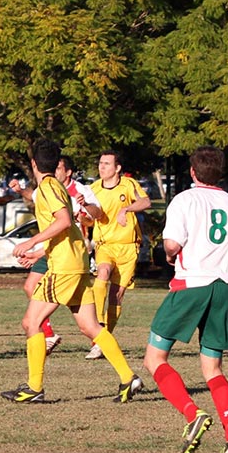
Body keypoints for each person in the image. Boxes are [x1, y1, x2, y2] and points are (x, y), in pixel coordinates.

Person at [142, 146, 228, 453]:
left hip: (190, 285)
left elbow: (171, 244)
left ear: (192, 172)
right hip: (222, 289)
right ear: (220, 173)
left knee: (154, 359)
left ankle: (192, 413)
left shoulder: (184, 200)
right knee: (212, 368)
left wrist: (169, 255)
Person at [0, 139, 142, 404]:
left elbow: (64, 221)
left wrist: (31, 241)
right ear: (57, 165)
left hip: (63, 268)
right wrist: (40, 252)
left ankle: (34, 388)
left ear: (33, 164)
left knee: (30, 323)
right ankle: (128, 377)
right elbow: (71, 230)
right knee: (89, 326)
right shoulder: (56, 186)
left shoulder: (47, 188)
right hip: (74, 262)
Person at [8, 155, 103, 355]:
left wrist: (85, 206)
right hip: (54, 250)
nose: (55, 170)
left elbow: (95, 215)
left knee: (30, 322)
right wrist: (20, 190)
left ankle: (35, 384)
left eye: (59, 167)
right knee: (31, 287)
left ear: (68, 171)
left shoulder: (77, 190)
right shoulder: (49, 187)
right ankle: (126, 374)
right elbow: (33, 196)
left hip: (67, 254)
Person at [87, 150, 151, 359]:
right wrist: (85, 216)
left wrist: (127, 209)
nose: (102, 167)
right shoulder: (93, 189)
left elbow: (145, 202)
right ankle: (98, 325)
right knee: (102, 273)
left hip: (128, 247)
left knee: (117, 294)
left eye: (106, 163)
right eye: (100, 163)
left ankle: (104, 338)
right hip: (105, 245)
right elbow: (91, 217)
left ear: (117, 168)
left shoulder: (128, 185)